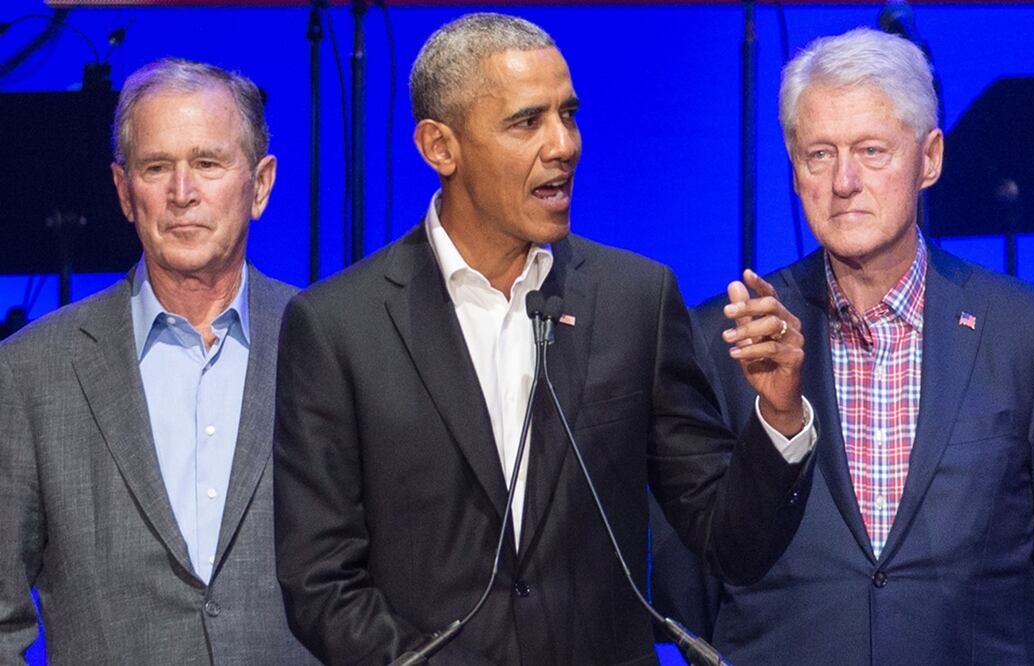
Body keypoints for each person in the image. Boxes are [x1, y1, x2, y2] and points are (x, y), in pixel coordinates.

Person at [273, 12, 818, 665]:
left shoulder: (632, 300)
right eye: (526, 122)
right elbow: (320, 584)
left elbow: (731, 543)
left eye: (569, 114)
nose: (563, 145)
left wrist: (779, 415)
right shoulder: (339, 326)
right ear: (438, 147)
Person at [652, 27, 1034, 665]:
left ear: (929, 158)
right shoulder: (724, 339)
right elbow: (692, 588)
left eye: (872, 150)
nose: (844, 181)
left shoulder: (1031, 332)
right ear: (795, 170)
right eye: (819, 154)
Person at [0, 58, 316, 664]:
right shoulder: (29, 373)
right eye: (156, 167)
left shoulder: (327, 342)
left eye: (207, 163)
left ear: (262, 184)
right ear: (124, 191)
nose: (182, 193)